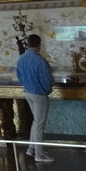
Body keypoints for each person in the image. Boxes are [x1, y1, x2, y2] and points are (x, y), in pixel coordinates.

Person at [16, 33, 54, 163]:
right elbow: (47, 80)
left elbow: (19, 76)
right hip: (39, 94)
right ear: (39, 45)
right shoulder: (40, 61)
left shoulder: (22, 59)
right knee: (39, 124)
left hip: (27, 92)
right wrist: (47, 90)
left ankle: (31, 149)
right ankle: (40, 154)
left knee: (35, 121)